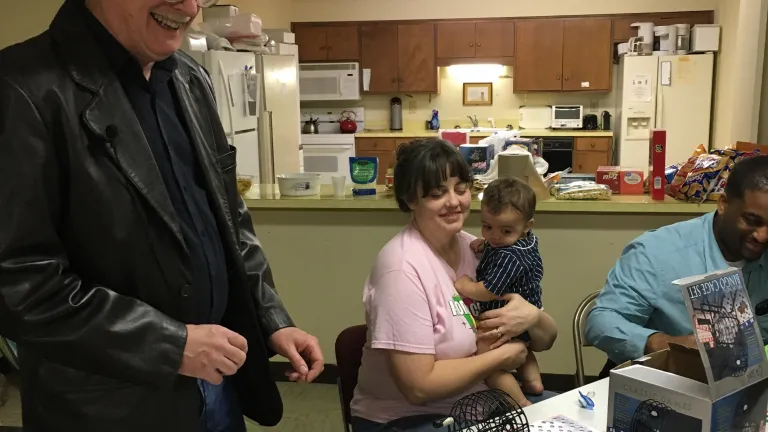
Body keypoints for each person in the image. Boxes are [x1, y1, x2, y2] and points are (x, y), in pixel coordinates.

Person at [0, 0, 324, 431]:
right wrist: (172, 345)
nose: (189, 6)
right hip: (109, 406)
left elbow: (229, 218)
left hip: (217, 384)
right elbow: (18, 283)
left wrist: (270, 317)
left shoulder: (191, 78)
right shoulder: (21, 86)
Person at [349, 139, 558, 432]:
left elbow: (545, 340)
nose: (454, 202)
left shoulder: (479, 248)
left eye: (460, 189)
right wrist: (501, 357)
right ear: (411, 200)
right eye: (437, 193)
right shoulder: (401, 270)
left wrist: (533, 317)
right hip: (408, 419)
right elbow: (419, 387)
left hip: (481, 403)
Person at [585, 155, 768, 375]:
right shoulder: (658, 251)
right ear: (723, 204)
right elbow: (600, 321)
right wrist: (662, 344)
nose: (762, 236)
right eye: (751, 220)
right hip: (659, 382)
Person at [454, 177, 544, 407]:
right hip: (527, 315)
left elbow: (490, 290)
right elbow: (499, 241)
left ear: (527, 225)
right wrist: (486, 244)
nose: (494, 236)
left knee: (487, 361)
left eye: (505, 230)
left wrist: (466, 287)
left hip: (502, 316)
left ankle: (520, 402)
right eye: (487, 226)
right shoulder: (521, 241)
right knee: (523, 347)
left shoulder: (509, 256)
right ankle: (534, 382)